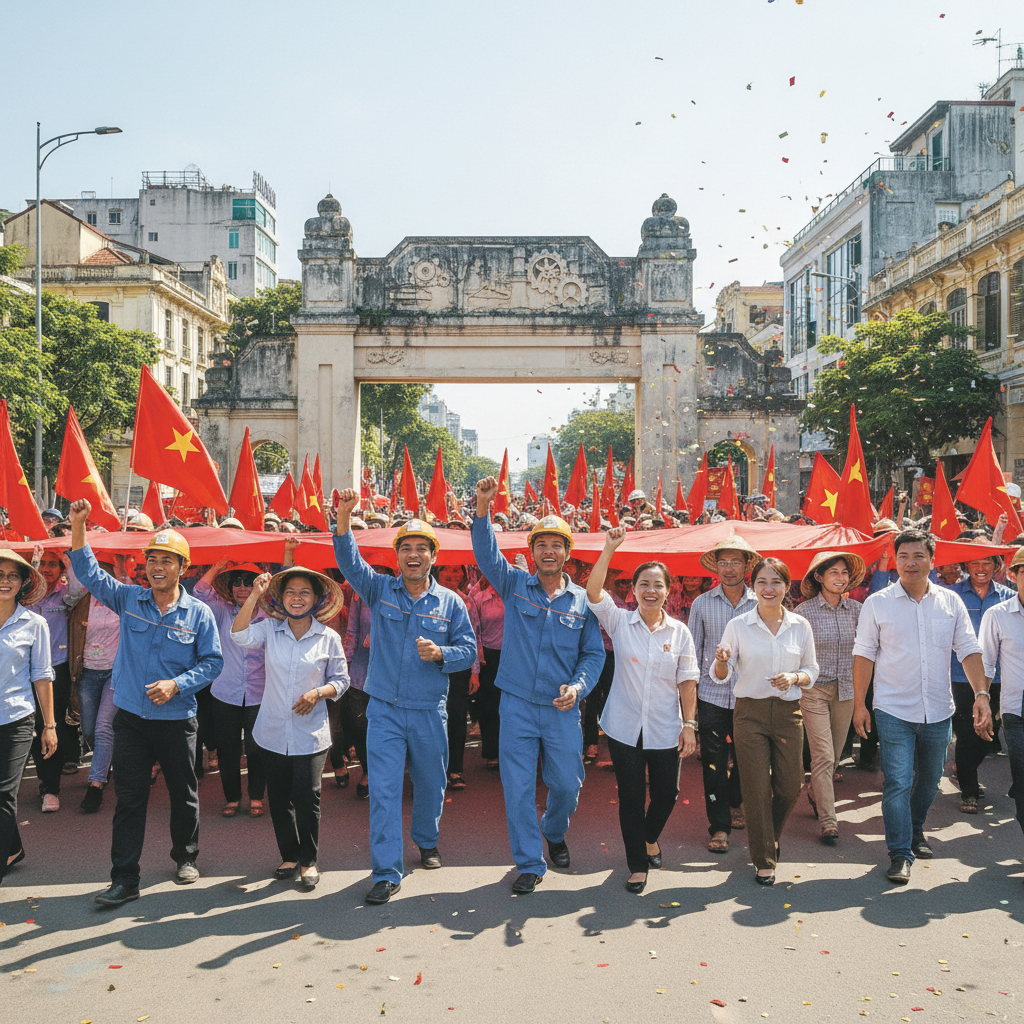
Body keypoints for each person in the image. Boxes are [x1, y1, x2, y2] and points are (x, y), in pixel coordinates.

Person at [67, 500, 223, 906]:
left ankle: (185, 857)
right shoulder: (127, 599)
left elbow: (213, 663)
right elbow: (87, 572)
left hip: (177, 719)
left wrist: (177, 684)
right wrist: (79, 527)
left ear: (182, 568)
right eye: (151, 559)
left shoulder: (199, 614)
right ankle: (124, 879)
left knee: (183, 793)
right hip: (131, 719)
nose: (157, 567)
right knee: (130, 798)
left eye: (167, 561)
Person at [334, 491, 477, 905]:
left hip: (430, 712)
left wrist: (442, 654)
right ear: (397, 556)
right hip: (384, 711)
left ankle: (426, 840)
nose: (413, 556)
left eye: (422, 549)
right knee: (383, 790)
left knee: (431, 785)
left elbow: (468, 650)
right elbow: (349, 562)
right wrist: (344, 518)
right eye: (406, 549)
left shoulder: (451, 603)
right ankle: (385, 871)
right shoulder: (379, 590)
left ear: (434, 557)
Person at [472, 478, 604, 895]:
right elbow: (486, 553)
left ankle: (554, 829)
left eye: (556, 544)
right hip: (516, 706)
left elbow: (594, 655)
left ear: (567, 553)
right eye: (541, 544)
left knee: (567, 784)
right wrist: (482, 509)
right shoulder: (513, 585)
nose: (549, 551)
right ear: (532, 553)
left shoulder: (583, 602)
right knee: (518, 787)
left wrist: (579, 688)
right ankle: (529, 862)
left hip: (562, 709)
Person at [852, 529, 990, 885]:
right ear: (894, 560)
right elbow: (864, 655)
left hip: (938, 710)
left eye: (917, 556)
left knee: (930, 781)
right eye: (903, 557)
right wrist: (859, 704)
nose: (910, 563)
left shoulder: (950, 602)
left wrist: (981, 694)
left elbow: (969, 649)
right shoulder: (877, 603)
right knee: (897, 781)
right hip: (892, 708)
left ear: (932, 558)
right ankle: (900, 853)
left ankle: (914, 829)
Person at [586, 527, 699, 893]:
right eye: (644, 584)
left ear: (669, 590)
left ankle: (649, 837)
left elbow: (687, 680)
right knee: (631, 798)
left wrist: (689, 724)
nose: (651, 591)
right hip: (623, 728)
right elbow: (593, 592)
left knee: (666, 794)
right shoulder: (619, 621)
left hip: (666, 727)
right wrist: (609, 548)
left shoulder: (679, 633)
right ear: (633, 589)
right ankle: (637, 864)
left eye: (658, 585)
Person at [230, 567, 349, 888]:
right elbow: (238, 635)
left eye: (304, 592)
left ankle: (309, 861)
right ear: (281, 599)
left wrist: (318, 692)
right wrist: (255, 593)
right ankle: (290, 855)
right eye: (290, 592)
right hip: (271, 730)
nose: (297, 598)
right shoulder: (269, 629)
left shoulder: (329, 637)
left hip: (311, 734)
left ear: (317, 598)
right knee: (280, 798)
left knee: (308, 797)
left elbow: (341, 681)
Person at [714, 557, 819, 884]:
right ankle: (764, 858)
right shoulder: (739, 625)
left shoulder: (800, 625)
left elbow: (812, 670)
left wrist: (795, 676)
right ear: (753, 586)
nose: (769, 588)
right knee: (756, 789)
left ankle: (767, 834)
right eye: (762, 582)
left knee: (791, 786)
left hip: (789, 714)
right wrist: (720, 661)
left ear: (787, 586)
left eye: (776, 582)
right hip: (749, 714)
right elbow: (720, 675)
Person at [689, 536, 760, 854]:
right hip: (711, 696)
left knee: (750, 760)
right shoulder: (702, 603)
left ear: (747, 565)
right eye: (723, 562)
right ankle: (719, 827)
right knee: (713, 764)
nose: (729, 568)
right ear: (715, 566)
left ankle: (735, 800)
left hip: (750, 695)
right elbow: (692, 652)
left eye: (735, 562)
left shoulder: (761, 600)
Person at [195, 557, 276, 818]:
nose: (242, 587)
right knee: (228, 749)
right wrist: (217, 566)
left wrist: (262, 587)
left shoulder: (269, 615)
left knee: (256, 749)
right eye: (237, 583)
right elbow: (198, 593)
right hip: (225, 692)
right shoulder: (220, 611)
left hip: (260, 693)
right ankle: (232, 798)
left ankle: (255, 796)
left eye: (248, 583)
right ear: (230, 589)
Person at [796, 551, 865, 845]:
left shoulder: (859, 610)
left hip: (847, 691)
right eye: (833, 572)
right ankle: (829, 821)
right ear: (819, 577)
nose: (840, 578)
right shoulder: (803, 613)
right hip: (813, 690)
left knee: (834, 757)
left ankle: (815, 790)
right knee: (822, 756)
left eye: (844, 573)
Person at [0, 549, 56, 881]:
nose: (4, 581)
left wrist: (49, 725)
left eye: (11, 576)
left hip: (17, 718)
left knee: (4, 792)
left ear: (22, 583)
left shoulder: (34, 624)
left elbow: (42, 675)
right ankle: (14, 847)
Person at [948, 551, 1013, 814]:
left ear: (997, 566)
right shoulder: (952, 596)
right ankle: (969, 790)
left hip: (999, 677)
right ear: (966, 565)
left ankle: (964, 769)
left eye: (987, 562)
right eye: (974, 562)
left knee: (989, 734)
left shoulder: (1008, 597)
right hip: (960, 676)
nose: (981, 568)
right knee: (967, 733)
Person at [31, 546, 87, 808]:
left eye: (53, 564)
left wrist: (71, 562)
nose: (46, 569)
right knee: (37, 727)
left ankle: (65, 762)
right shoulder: (24, 595)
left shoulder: (66, 595)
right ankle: (49, 786)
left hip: (59, 668)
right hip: (28, 672)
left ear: (62, 570)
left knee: (59, 722)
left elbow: (79, 590)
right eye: (42, 563)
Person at [978, 547, 1024, 847]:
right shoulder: (998, 616)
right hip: (1016, 714)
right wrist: (982, 699)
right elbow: (985, 663)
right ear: (1014, 575)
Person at [70, 555, 123, 813]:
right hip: (87, 674)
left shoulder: (123, 602)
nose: (100, 581)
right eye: (95, 576)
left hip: (115, 673)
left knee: (103, 727)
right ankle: (106, 762)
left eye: (105, 576)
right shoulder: (79, 602)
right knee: (89, 729)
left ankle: (96, 785)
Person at [433, 565, 479, 790]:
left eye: (456, 572)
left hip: (459, 668)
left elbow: (474, 637)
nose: (451, 576)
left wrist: (475, 671)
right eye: (446, 572)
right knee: (431, 718)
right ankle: (432, 770)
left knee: (457, 717)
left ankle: (455, 769)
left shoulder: (466, 602)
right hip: (429, 666)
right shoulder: (426, 599)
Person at [467, 573, 504, 770]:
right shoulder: (479, 598)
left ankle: (513, 751)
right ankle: (492, 751)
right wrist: (476, 663)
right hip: (488, 657)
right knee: (490, 705)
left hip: (514, 655)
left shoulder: (516, 596)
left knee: (512, 706)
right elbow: (473, 631)